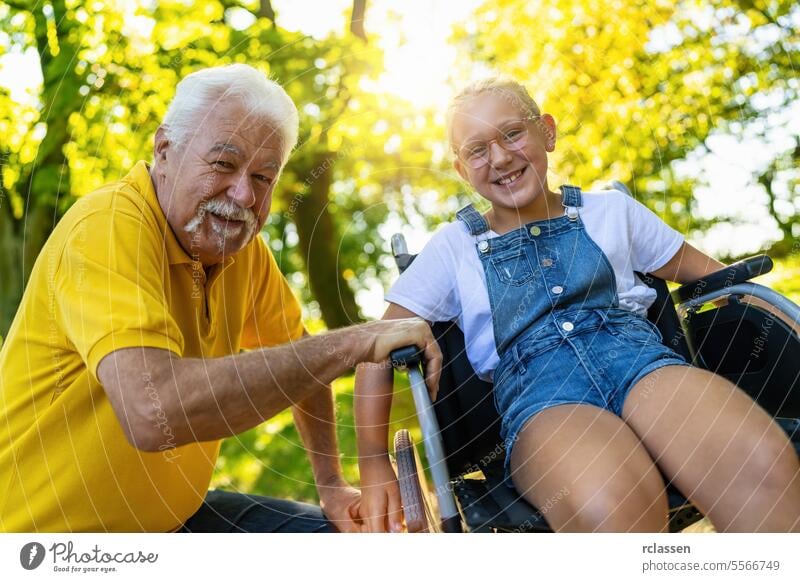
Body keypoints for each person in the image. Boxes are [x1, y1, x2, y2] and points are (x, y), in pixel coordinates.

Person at [0, 64, 441, 533]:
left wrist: (332, 484)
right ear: (164, 150)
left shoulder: (241, 252)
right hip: (47, 545)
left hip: (174, 521)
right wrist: (354, 343)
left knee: (350, 544)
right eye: (223, 164)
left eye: (264, 177)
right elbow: (152, 414)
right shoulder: (106, 229)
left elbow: (304, 362)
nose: (244, 194)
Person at [354, 77, 800, 532]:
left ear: (546, 131)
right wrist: (373, 462)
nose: (501, 157)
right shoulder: (453, 247)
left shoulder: (611, 211)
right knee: (609, 503)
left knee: (759, 462)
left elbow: (722, 282)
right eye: (477, 150)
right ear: (461, 168)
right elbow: (374, 346)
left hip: (644, 365)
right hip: (544, 398)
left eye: (512, 134)